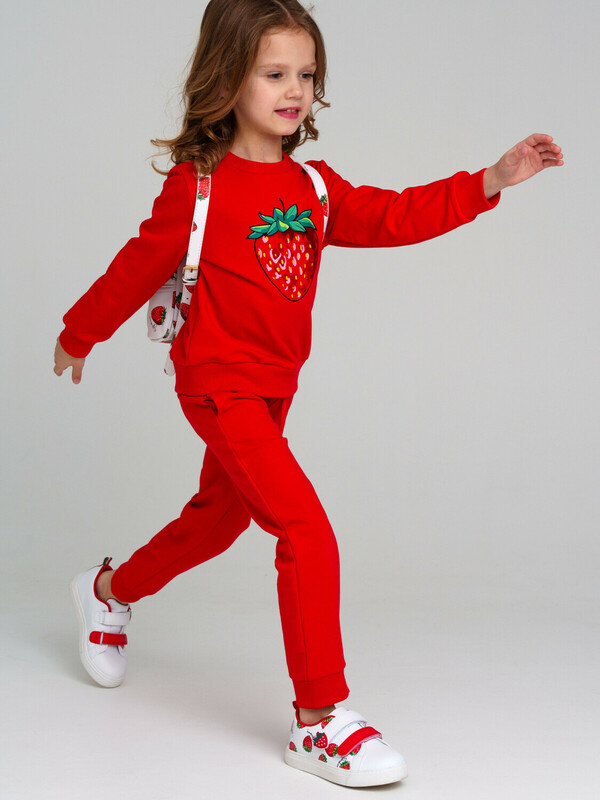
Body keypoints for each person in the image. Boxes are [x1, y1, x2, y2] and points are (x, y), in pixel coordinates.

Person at [54, 0, 564, 788]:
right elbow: (137, 264)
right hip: (219, 386)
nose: (294, 90)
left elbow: (394, 215)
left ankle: (106, 591)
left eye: (306, 74)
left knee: (215, 523)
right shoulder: (199, 188)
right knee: (305, 529)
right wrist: (80, 332)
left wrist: (490, 180)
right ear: (228, 79)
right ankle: (321, 720)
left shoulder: (315, 188)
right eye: (273, 73)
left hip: (273, 391)